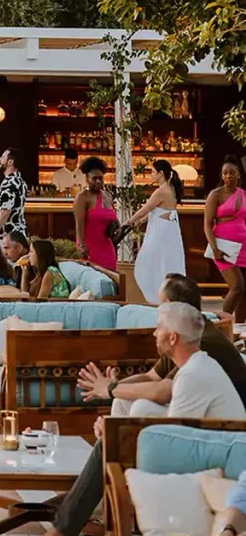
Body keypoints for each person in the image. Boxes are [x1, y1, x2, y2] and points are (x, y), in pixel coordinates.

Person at [0, 297, 246, 536]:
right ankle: (69, 519)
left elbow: (171, 442)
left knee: (108, 448)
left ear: (172, 338)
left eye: (158, 327)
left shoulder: (194, 374)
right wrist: (116, 424)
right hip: (209, 449)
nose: (153, 332)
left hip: (224, 460)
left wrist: (116, 431)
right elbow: (170, 428)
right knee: (125, 422)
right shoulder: (194, 367)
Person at [78, 273, 246, 415]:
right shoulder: (186, 334)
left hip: (226, 424)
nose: (155, 331)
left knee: (140, 409)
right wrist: (114, 386)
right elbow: (151, 377)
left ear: (169, 305)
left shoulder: (199, 341)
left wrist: (110, 389)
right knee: (124, 402)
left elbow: (163, 391)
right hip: (199, 411)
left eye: (160, 306)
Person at [130, 159, 186, 304]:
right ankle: (164, 296)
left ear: (161, 173)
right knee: (164, 263)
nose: (151, 175)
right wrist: (137, 222)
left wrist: (128, 222)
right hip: (167, 232)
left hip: (161, 234)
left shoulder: (161, 191)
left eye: (153, 172)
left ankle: (158, 297)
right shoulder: (171, 188)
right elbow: (154, 213)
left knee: (149, 262)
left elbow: (146, 209)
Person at [205, 155, 246, 324]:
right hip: (223, 247)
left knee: (245, 291)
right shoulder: (215, 195)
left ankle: (239, 329)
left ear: (238, 175)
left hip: (243, 247)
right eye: (225, 173)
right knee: (237, 287)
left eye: (232, 172)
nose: (228, 176)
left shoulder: (243, 194)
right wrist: (215, 249)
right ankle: (222, 325)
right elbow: (207, 225)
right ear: (221, 176)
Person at [73, 157, 117, 271]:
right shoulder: (82, 197)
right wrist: (81, 247)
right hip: (89, 250)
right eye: (94, 178)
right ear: (87, 179)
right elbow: (79, 224)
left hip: (107, 249)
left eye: (100, 178)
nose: (98, 181)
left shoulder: (108, 196)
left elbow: (114, 221)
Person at [0, 149, 27, 238]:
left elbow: (5, 211)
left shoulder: (9, 182)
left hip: (9, 235)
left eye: (3, 157)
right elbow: (9, 206)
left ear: (10, 162)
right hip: (20, 233)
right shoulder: (20, 181)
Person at [22, 236, 71, 300]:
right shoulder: (41, 272)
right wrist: (24, 273)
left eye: (31, 252)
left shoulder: (50, 272)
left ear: (39, 254)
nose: (28, 255)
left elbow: (39, 301)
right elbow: (25, 297)